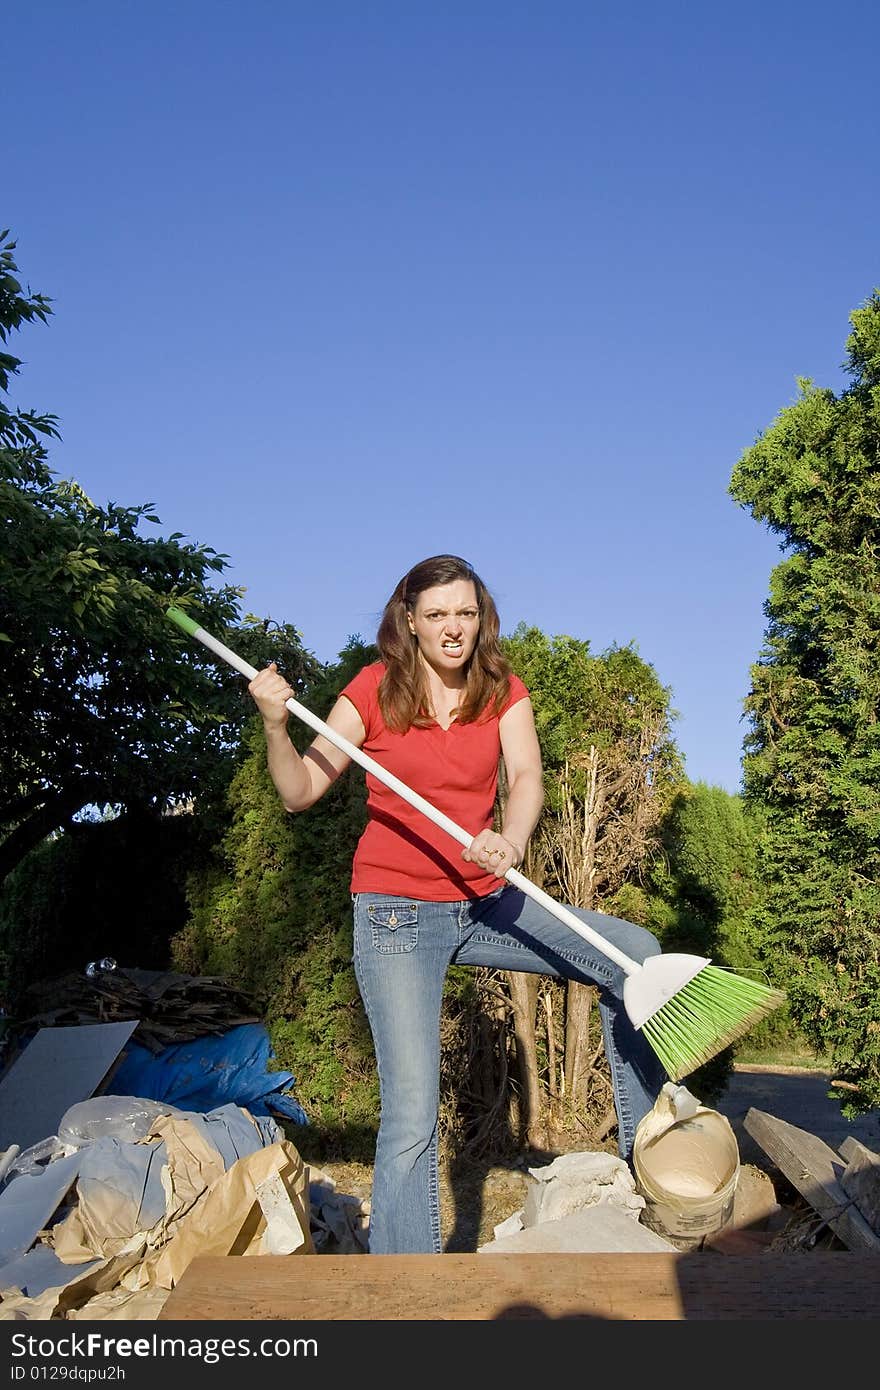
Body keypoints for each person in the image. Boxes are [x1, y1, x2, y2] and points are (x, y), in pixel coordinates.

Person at [248, 553, 666, 1254]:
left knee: (636, 956)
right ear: (408, 621)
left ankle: (656, 1175)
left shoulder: (501, 689)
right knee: (412, 1113)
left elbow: (526, 775)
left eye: (465, 613)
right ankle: (406, 1290)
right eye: (437, 614)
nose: (453, 627)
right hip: (396, 914)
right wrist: (272, 725)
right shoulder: (373, 691)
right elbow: (299, 791)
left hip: (483, 899)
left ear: (483, 618)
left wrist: (511, 835)